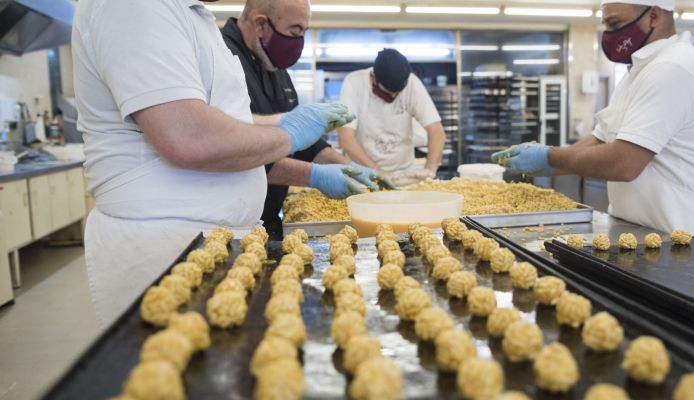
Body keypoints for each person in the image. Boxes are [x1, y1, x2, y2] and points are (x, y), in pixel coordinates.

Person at [72, 0, 354, 326]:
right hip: (167, 248)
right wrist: (291, 140)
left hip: (214, 240)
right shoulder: (136, 5)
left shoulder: (193, 16)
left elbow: (225, 124)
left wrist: (284, 126)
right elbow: (186, 137)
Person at [492, 0, 694, 234]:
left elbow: (625, 162)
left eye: (615, 24)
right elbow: (600, 139)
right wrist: (548, 161)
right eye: (606, 25)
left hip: (689, 237)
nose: (608, 33)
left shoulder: (675, 67)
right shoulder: (637, 73)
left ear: (654, 16)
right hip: (643, 232)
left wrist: (550, 157)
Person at [221, 0, 392, 240]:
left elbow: (305, 141)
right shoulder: (222, 59)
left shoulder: (273, 63)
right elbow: (232, 150)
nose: (298, 43)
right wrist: (314, 176)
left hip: (266, 220)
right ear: (261, 25)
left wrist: (348, 168)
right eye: (294, 32)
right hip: (227, 226)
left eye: (304, 32)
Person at [337, 49, 446, 184]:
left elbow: (436, 130)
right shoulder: (354, 83)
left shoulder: (412, 83)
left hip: (403, 175)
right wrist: (378, 172)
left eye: (398, 93)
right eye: (388, 93)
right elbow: (345, 138)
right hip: (363, 175)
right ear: (373, 77)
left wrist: (430, 168)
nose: (394, 97)